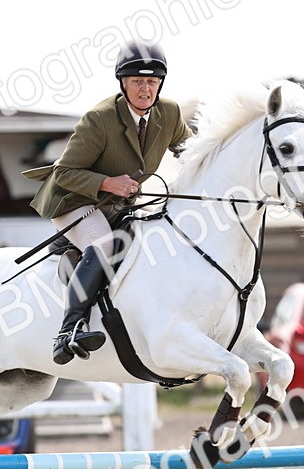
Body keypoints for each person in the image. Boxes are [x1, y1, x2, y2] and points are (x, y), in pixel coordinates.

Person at [25, 40, 193, 365]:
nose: (145, 89)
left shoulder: (169, 113)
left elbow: (192, 150)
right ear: (123, 84)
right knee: (103, 243)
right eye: (137, 82)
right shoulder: (99, 119)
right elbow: (64, 172)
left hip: (118, 203)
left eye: (152, 82)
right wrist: (107, 183)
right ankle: (68, 332)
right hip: (73, 198)